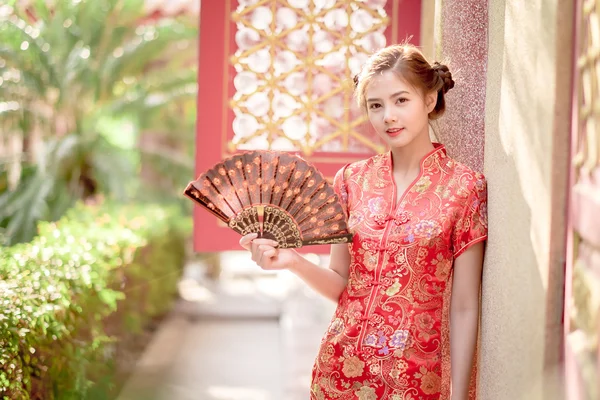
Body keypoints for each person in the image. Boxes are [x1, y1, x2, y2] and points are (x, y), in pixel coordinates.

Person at [239, 43, 488, 400]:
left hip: (417, 379)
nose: (388, 115)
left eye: (401, 100)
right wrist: (292, 261)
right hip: (340, 370)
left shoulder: (464, 187)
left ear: (430, 101)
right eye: (376, 105)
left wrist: (460, 395)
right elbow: (342, 284)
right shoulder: (351, 181)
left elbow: (465, 306)